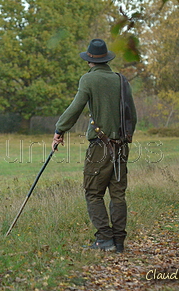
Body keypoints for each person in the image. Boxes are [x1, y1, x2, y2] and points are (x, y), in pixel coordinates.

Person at [52, 38, 137, 253]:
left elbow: (75, 108)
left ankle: (104, 239)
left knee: (93, 192)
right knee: (118, 195)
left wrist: (59, 130)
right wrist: (125, 139)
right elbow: (132, 116)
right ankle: (119, 242)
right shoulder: (120, 80)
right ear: (106, 59)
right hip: (121, 147)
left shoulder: (88, 80)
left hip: (100, 146)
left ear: (89, 60)